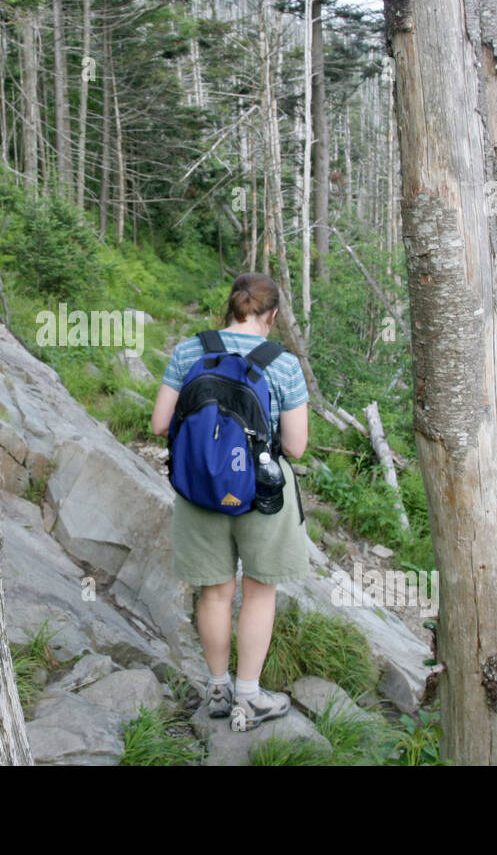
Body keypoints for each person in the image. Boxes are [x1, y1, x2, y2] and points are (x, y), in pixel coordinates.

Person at [151, 272, 311, 730]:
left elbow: (161, 423)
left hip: (199, 488)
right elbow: (296, 447)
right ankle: (249, 697)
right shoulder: (280, 363)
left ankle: (217, 689)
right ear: (272, 315)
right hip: (262, 493)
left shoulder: (190, 349)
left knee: (215, 592)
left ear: (230, 307)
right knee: (259, 592)